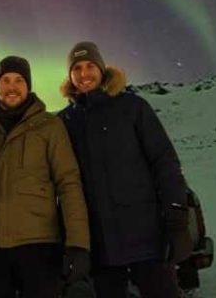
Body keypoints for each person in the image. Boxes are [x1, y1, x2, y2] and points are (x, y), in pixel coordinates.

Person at [58, 41, 192, 298]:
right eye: (77, 68)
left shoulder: (133, 107)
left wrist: (177, 220)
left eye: (90, 66)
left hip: (147, 238)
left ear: (102, 69)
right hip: (101, 246)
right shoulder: (65, 121)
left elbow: (165, 163)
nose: (84, 74)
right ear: (70, 75)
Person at [0, 55, 91, 298]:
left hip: (39, 246)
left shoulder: (49, 126)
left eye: (19, 80)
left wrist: (78, 244)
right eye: (5, 80)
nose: (12, 87)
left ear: (28, 85)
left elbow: (68, 183)